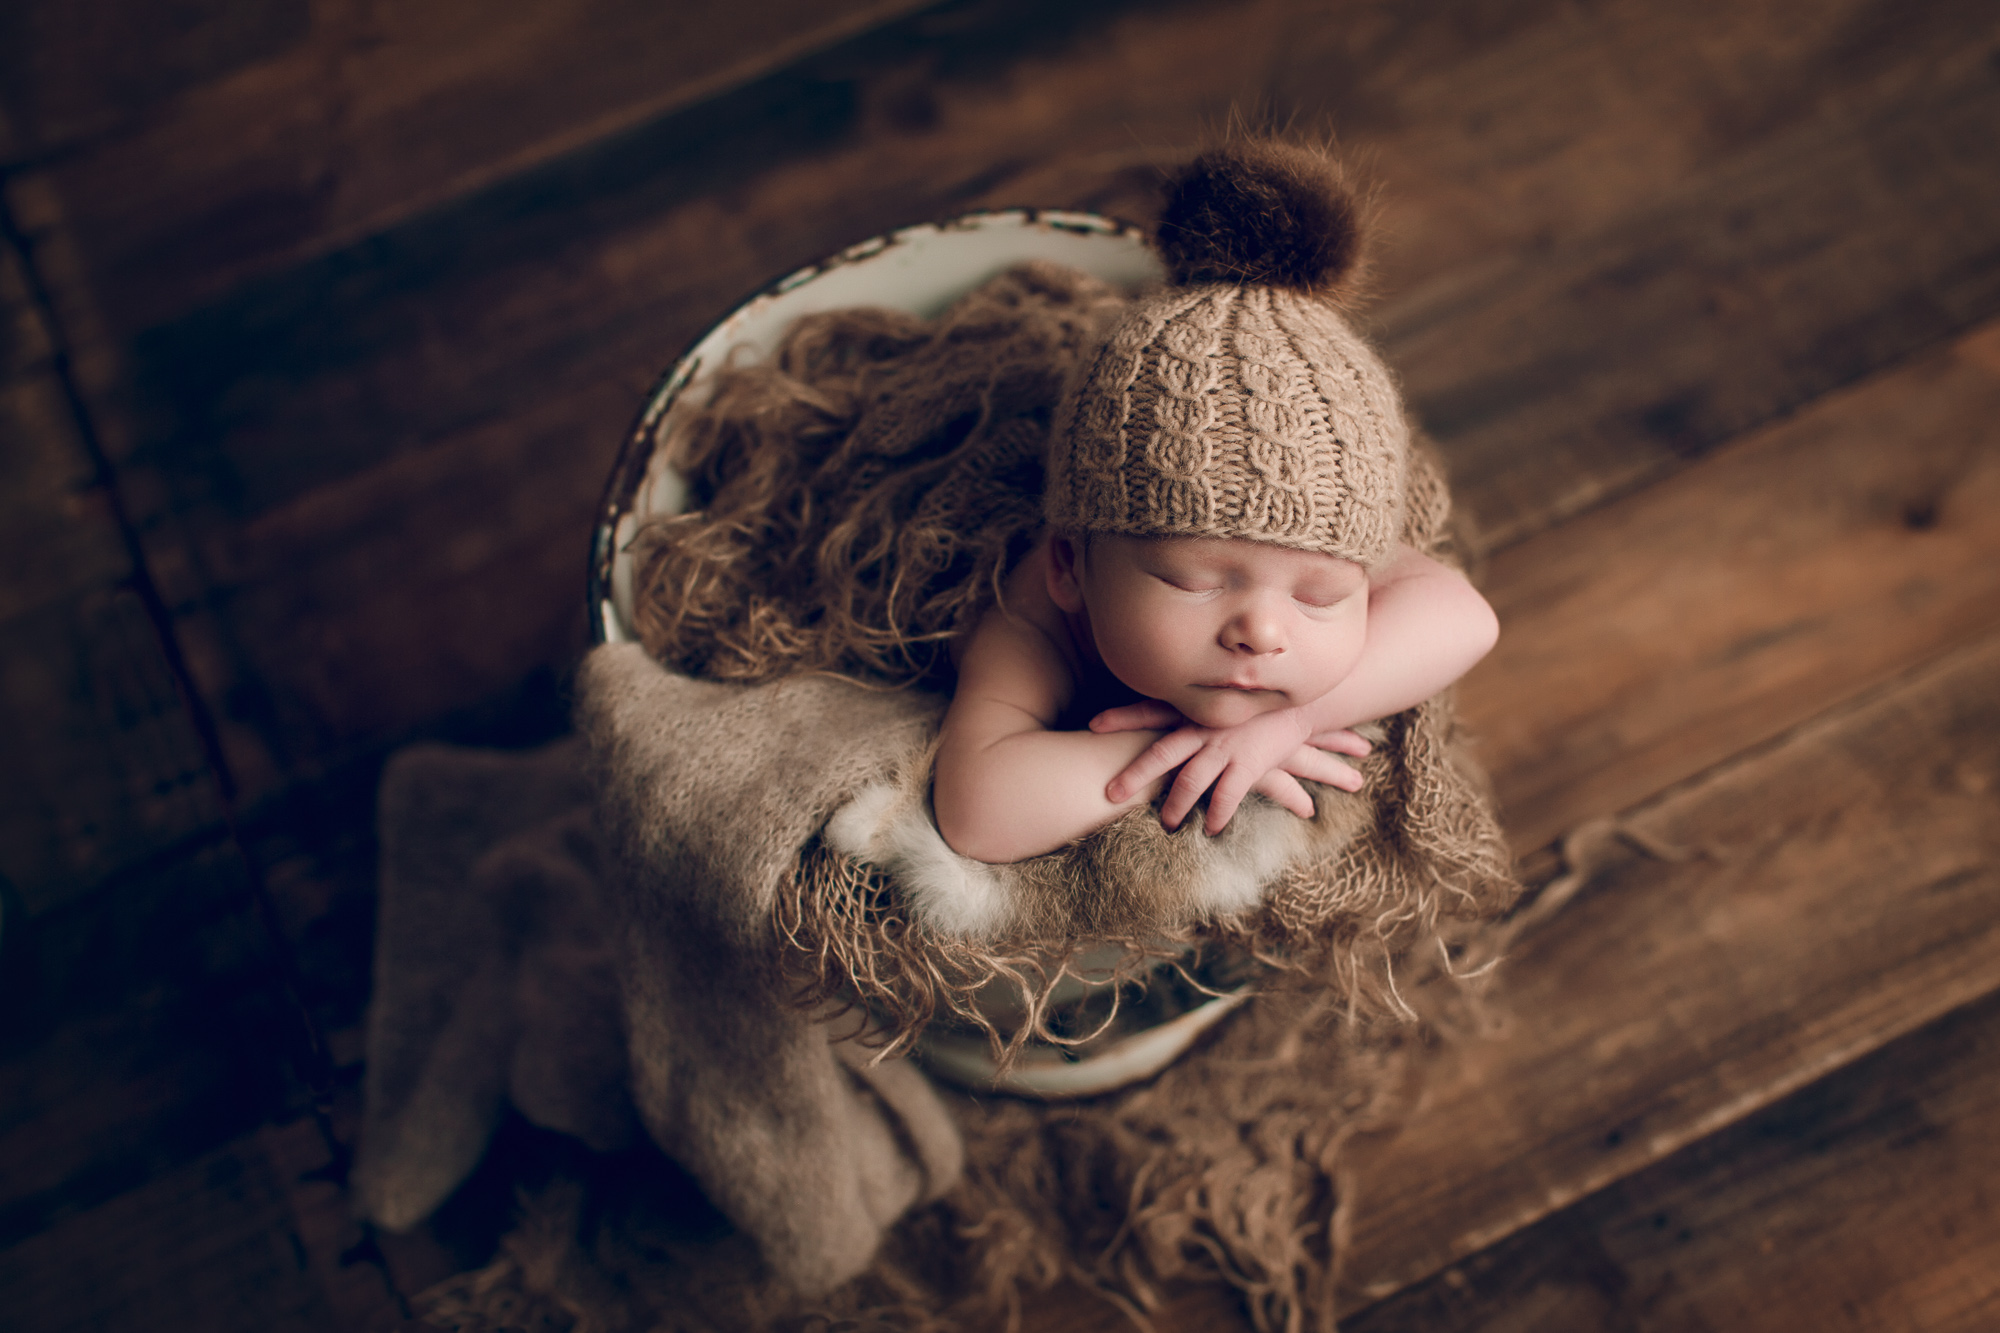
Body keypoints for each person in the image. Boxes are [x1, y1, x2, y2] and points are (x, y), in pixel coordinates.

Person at [933, 138, 1498, 865]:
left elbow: (1465, 617)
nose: (1261, 631)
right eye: (1192, 581)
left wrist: (1293, 721)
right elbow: (979, 809)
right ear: (1071, 566)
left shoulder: (1319, 533)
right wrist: (1177, 750)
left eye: (1321, 595)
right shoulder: (1035, 625)